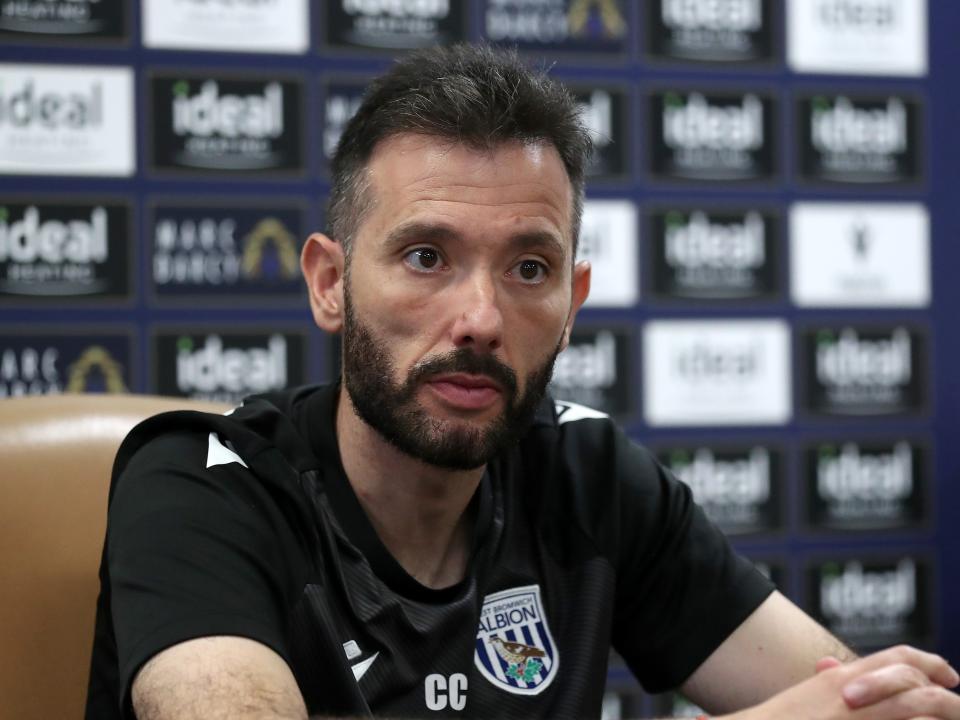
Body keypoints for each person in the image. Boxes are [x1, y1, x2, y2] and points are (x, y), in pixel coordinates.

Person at [85, 44, 959, 720]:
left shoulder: (585, 473)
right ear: (328, 283)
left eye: (530, 268)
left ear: (574, 302)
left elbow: (848, 700)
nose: (481, 318)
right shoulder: (200, 487)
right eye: (427, 257)